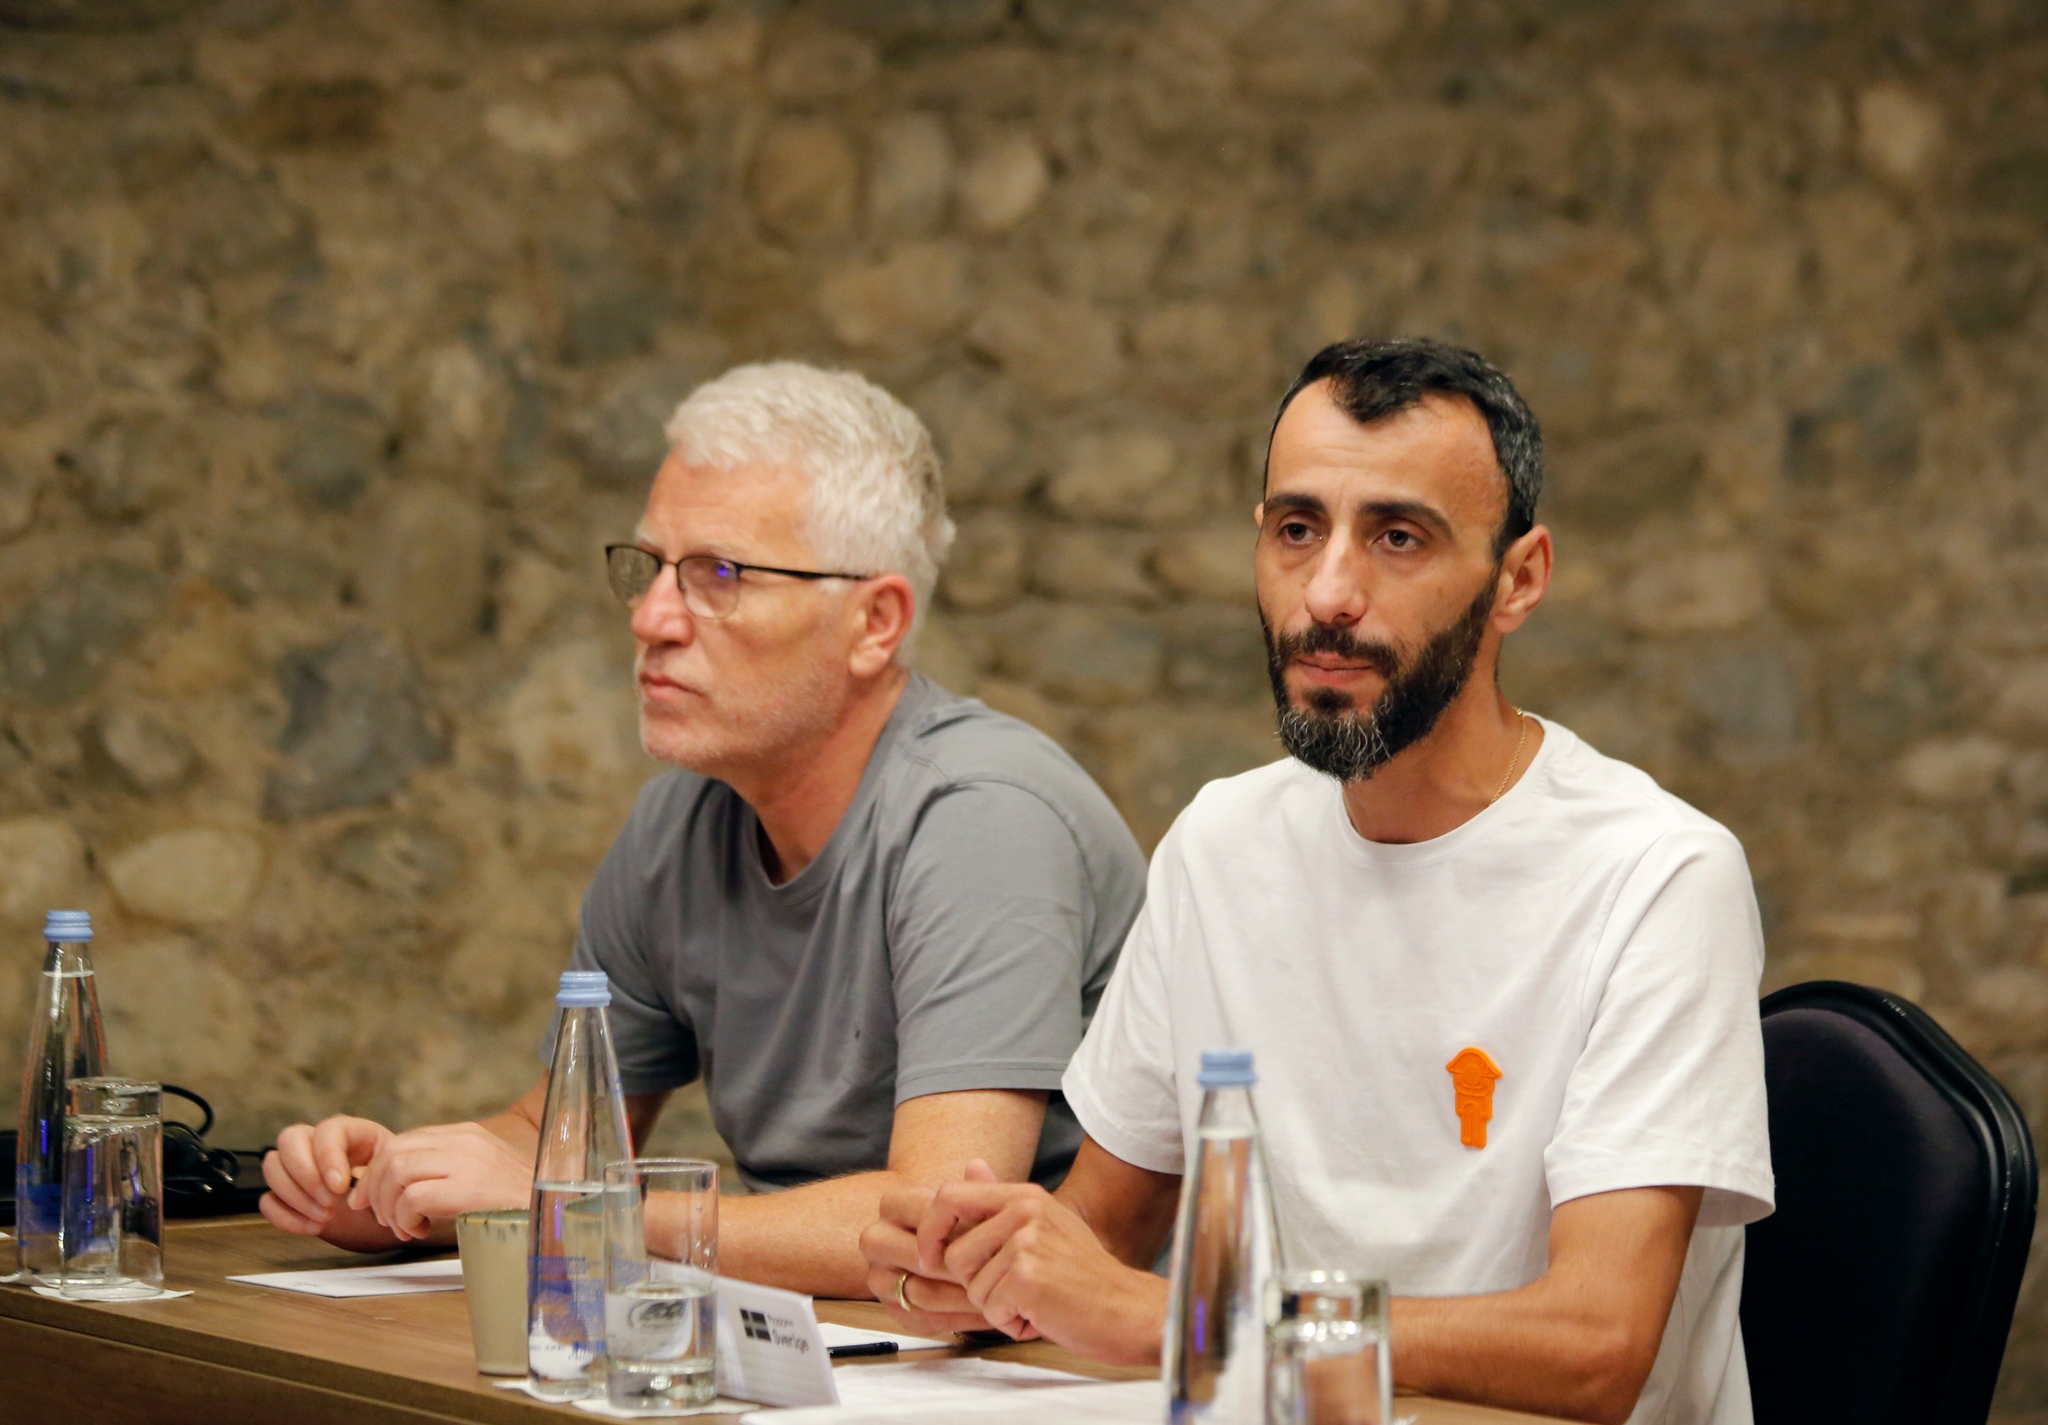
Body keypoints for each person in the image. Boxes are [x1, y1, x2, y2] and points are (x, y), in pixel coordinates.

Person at [860, 339, 1773, 1425]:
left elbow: (1595, 1345)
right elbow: (1100, 1232)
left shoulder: (1658, 875)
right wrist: (982, 1264)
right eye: (1297, 530)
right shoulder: (1218, 843)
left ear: (1518, 579)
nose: (1328, 593)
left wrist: (1191, 1324)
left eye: (1398, 537)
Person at [261, 362, 1147, 1297]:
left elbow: (936, 1221)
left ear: (874, 622)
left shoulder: (983, 817)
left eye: (718, 575)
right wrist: (389, 1188)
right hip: (822, 1338)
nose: (651, 619)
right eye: (648, 568)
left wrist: (576, 1208)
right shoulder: (679, 822)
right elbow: (548, 1143)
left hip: (1036, 1353)